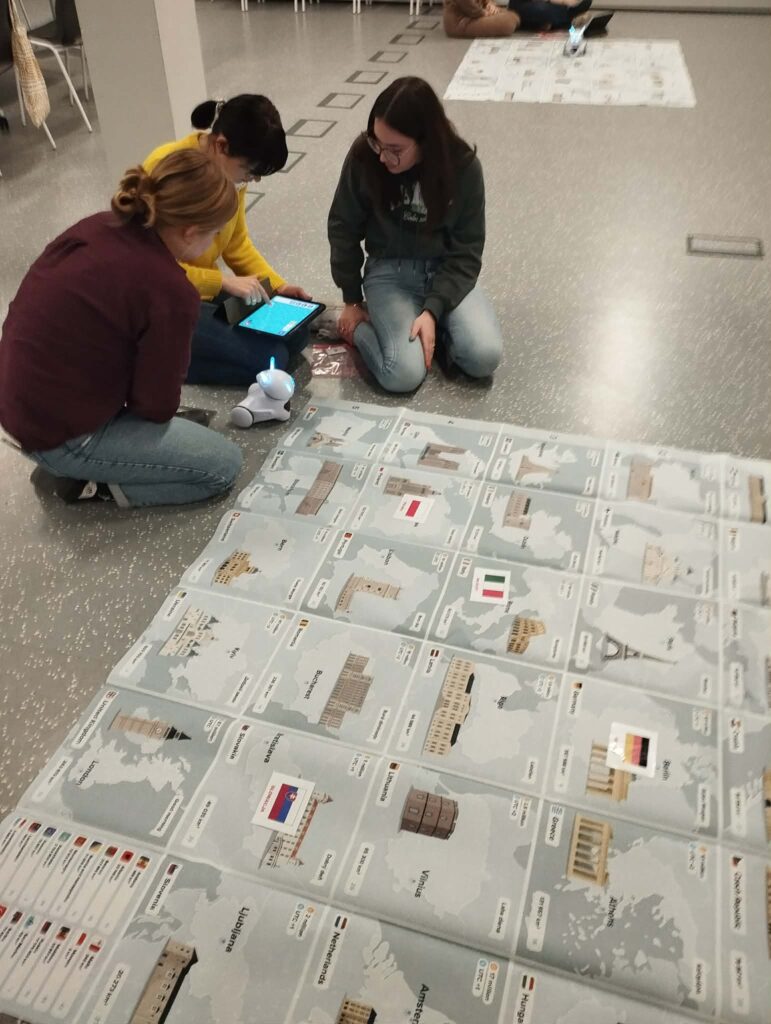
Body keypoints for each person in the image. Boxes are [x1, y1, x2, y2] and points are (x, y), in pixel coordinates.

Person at [0, 150, 243, 508]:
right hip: (62, 436)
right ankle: (95, 485)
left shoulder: (99, 225)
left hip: (18, 402)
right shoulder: (171, 290)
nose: (215, 242)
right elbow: (155, 406)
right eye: (216, 233)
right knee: (222, 466)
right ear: (191, 232)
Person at [328, 77, 503, 394]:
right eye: (377, 143)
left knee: (483, 357)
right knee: (402, 375)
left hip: (445, 271)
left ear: (426, 141)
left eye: (395, 149)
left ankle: (433, 328)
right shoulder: (365, 156)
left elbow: (467, 251)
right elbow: (343, 225)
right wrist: (351, 299)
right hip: (389, 272)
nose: (383, 157)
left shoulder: (463, 167)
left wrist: (433, 309)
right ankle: (362, 329)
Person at [144, 95, 312, 386]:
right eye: (250, 171)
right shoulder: (167, 169)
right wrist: (222, 282)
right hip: (165, 299)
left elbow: (237, 243)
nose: (253, 180)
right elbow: (150, 269)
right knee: (271, 358)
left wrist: (278, 287)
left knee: (296, 333)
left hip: (204, 290)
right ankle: (157, 359)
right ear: (221, 146)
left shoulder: (231, 174)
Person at [443, 0, 520, 39]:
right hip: (461, 21)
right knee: (508, 23)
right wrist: (483, 13)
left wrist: (489, 4)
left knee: (512, 16)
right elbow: (468, 6)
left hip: (476, 12)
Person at [507, 0, 592, 33]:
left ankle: (552, 23)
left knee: (586, 1)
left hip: (551, 5)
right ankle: (568, 21)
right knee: (542, 10)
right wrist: (563, 2)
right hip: (526, 5)